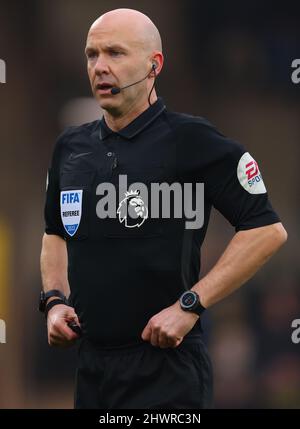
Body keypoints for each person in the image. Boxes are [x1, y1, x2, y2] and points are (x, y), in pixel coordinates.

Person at [40, 8, 287, 409]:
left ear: (154, 65)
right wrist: (53, 302)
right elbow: (54, 232)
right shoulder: (70, 148)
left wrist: (191, 305)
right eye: (92, 54)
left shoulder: (193, 142)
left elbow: (266, 230)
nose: (100, 67)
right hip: (92, 370)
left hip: (167, 370)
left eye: (115, 53)